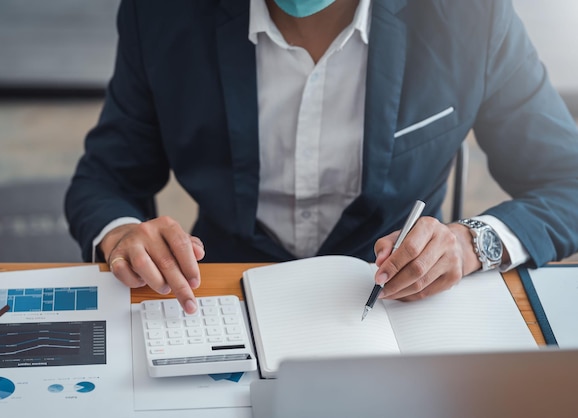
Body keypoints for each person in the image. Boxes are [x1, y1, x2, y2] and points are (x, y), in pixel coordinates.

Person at [65, 0, 578, 314]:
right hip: (218, 290)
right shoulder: (161, 13)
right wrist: (123, 234)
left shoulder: (471, 14)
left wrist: (472, 244)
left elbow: (567, 181)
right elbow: (105, 178)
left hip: (395, 299)